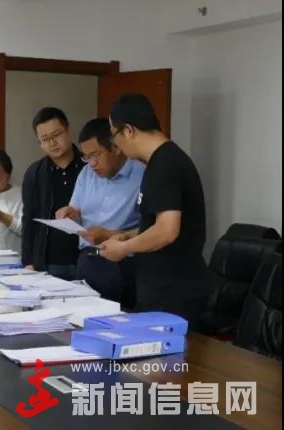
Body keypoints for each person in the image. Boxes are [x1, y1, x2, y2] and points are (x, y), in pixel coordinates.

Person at [100, 93, 210, 328]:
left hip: (174, 292)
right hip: (160, 289)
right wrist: (127, 235)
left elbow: (167, 231)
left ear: (129, 130)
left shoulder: (166, 164)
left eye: (114, 134)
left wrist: (125, 248)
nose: (115, 144)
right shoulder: (158, 162)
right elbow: (155, 223)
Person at [55, 118, 144, 306]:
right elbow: (76, 210)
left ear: (116, 147)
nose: (92, 163)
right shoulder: (86, 174)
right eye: (86, 157)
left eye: (95, 155)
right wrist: (70, 214)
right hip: (87, 259)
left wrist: (111, 235)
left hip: (121, 263)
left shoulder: (143, 174)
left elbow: (152, 228)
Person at [22, 107, 86, 279]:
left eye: (56, 135)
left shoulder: (89, 167)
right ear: (39, 143)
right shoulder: (34, 173)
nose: (52, 143)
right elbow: (28, 219)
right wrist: (28, 261)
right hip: (47, 262)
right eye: (45, 139)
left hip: (85, 257)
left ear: (68, 130)